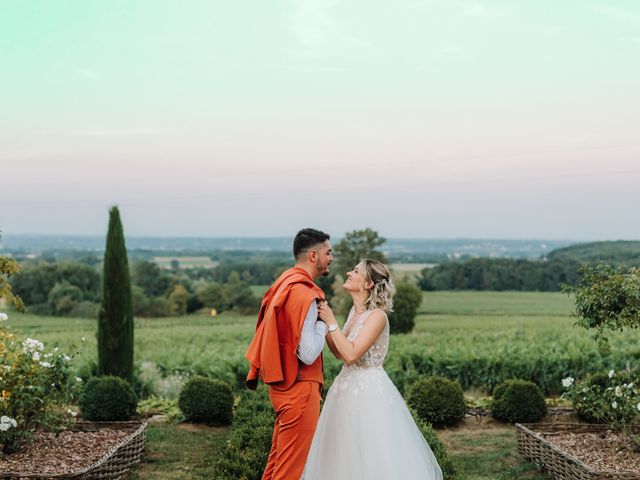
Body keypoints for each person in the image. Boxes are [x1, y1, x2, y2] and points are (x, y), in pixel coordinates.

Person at [303, 259, 443, 480]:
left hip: (367, 394)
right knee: (342, 451)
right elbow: (339, 351)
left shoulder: (378, 316)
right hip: (344, 390)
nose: (349, 273)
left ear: (368, 283)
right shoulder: (354, 312)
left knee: (369, 452)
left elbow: (351, 355)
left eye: (355, 271)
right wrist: (322, 324)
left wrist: (331, 322)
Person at [245, 228, 333, 480]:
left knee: (276, 464)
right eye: (328, 252)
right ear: (313, 256)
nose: (332, 258)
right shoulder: (305, 294)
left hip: (282, 386)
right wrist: (324, 323)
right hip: (300, 387)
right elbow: (307, 353)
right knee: (290, 470)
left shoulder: (283, 283)